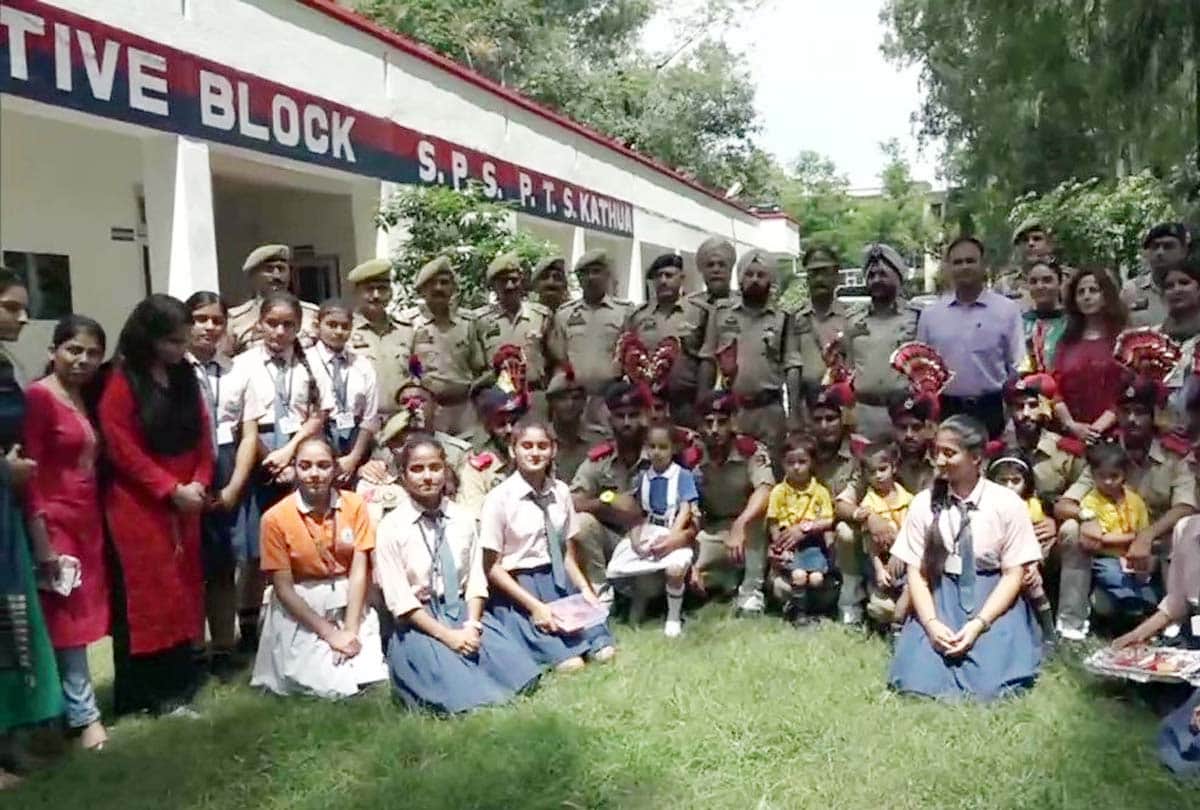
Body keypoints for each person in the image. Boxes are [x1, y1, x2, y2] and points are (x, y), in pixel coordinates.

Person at [100, 294, 214, 716]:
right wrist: (169, 489)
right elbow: (121, 448)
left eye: (184, 340)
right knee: (151, 596)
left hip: (187, 502)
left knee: (184, 590)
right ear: (148, 338)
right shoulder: (121, 380)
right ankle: (149, 692)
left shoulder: (184, 375)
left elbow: (203, 432)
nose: (181, 349)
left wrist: (199, 482)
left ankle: (182, 681)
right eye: (173, 341)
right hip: (141, 506)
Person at [373, 433, 540, 712]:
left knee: (521, 676)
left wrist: (472, 625)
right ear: (403, 476)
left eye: (434, 468)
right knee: (465, 694)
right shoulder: (391, 527)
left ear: (445, 470)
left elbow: (475, 580)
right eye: (417, 469)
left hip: (462, 611)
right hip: (420, 621)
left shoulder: (462, 518)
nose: (427, 477)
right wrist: (447, 636)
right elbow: (400, 600)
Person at [887, 415, 1043, 700]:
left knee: (990, 688)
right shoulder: (924, 503)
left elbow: (1013, 574)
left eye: (949, 453)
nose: (940, 461)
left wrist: (979, 624)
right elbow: (916, 573)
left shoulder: (1007, 503)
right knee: (916, 682)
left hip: (991, 596)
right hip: (941, 595)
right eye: (937, 452)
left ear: (976, 457)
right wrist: (931, 624)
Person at [24, 316, 109, 749]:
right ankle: (84, 717)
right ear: (53, 350)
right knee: (67, 620)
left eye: (93, 353)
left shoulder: (82, 395)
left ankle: (58, 712)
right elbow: (29, 476)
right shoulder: (39, 398)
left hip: (85, 520)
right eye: (74, 349)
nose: (83, 360)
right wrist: (43, 543)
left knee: (77, 619)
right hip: (53, 523)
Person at [1055, 380, 1197, 640]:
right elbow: (1065, 504)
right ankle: (1072, 622)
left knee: (1183, 528)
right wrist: (1086, 516)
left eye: (1140, 412)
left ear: (1154, 415)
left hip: (1159, 550)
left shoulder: (1173, 455)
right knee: (1071, 529)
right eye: (1125, 411)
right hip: (1111, 549)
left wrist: (1147, 535)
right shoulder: (1105, 455)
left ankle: (1173, 617)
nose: (1131, 419)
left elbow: (1185, 506)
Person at [230, 291, 330, 653]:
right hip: (256, 448)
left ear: (299, 327)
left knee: (300, 539)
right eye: (272, 323)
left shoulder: (309, 363)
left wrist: (291, 454)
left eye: (288, 324)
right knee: (256, 547)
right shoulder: (243, 364)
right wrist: (269, 457)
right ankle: (249, 627)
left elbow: (319, 413)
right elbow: (240, 421)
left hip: (298, 447)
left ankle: (300, 618)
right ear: (260, 323)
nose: (279, 331)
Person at [251, 437, 387, 698]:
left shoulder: (354, 505)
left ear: (335, 468)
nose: (314, 474)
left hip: (350, 597)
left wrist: (349, 631)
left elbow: (359, 570)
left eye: (323, 465)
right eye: (305, 466)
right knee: (323, 684)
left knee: (367, 674)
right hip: (303, 601)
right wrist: (330, 635)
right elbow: (283, 588)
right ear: (294, 468)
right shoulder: (274, 518)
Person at [480, 418, 616, 670]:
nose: (535, 453)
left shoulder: (561, 492)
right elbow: (492, 568)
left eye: (542, 446)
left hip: (558, 580)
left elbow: (567, 553)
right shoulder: (499, 499)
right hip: (520, 588)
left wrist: (585, 590)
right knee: (571, 664)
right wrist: (535, 607)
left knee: (604, 651)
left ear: (553, 450)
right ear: (513, 450)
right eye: (527, 446)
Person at [0, 268, 61, 787]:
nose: (23, 317)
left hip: (7, 514)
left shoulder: (6, 363)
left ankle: (10, 736)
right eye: (10, 307)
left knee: (10, 623)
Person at [185, 292, 261, 677]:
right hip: (186, 470)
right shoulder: (175, 369)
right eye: (201, 318)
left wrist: (233, 487)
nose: (209, 327)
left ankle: (224, 648)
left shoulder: (237, 371)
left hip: (228, 466)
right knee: (190, 567)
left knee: (225, 564)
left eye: (217, 320)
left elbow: (249, 434)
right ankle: (193, 648)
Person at [917, 237, 1024, 438]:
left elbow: (1017, 365)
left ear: (983, 265)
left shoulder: (1007, 311)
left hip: (991, 409)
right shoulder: (931, 315)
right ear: (949, 268)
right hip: (945, 410)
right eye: (958, 262)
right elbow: (922, 370)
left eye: (970, 261)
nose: (964, 267)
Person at [699, 249, 805, 448]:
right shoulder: (721, 313)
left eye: (761, 275)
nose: (754, 280)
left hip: (769, 411)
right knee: (732, 462)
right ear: (740, 278)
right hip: (729, 412)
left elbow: (792, 365)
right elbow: (708, 359)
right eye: (749, 274)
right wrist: (702, 405)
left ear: (770, 279)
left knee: (771, 463)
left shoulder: (783, 317)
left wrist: (794, 413)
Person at [604, 423, 699, 637]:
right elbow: (637, 513)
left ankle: (673, 615)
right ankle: (634, 607)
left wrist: (672, 537)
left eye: (663, 447)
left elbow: (686, 509)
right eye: (652, 447)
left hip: (673, 532)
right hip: (648, 530)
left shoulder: (682, 475)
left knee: (674, 569)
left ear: (673, 449)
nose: (657, 452)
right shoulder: (642, 477)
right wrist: (636, 539)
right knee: (628, 565)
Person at [569, 381, 651, 608]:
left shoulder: (659, 452)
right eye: (620, 416)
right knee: (582, 523)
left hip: (653, 538)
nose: (627, 423)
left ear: (645, 416)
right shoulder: (599, 460)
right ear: (610, 418)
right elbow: (571, 501)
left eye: (633, 415)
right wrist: (606, 501)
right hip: (614, 540)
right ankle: (601, 591)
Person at [691, 392, 775, 615]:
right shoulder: (693, 458)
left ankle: (751, 592)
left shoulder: (750, 451)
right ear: (699, 425)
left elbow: (765, 490)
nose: (714, 429)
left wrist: (740, 523)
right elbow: (688, 505)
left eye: (721, 422)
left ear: (733, 423)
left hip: (748, 529)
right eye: (708, 422)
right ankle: (726, 579)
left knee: (757, 518)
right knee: (690, 567)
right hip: (714, 530)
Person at [551, 250, 633, 444]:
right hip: (574, 401)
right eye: (585, 273)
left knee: (610, 446)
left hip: (609, 399)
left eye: (596, 271)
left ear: (607, 274)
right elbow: (560, 358)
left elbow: (631, 356)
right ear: (579, 279)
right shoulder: (565, 314)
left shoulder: (625, 312)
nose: (591, 278)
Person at [401, 256, 487, 442]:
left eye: (444, 282)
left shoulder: (468, 322)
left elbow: (479, 367)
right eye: (432, 283)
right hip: (426, 411)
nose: (438, 288)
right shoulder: (408, 323)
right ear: (422, 289)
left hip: (463, 410)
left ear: (453, 288)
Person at [843, 244, 920, 440]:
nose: (877, 280)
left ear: (898, 277)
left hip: (905, 415)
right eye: (871, 275)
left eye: (883, 274)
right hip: (863, 415)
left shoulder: (916, 318)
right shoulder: (853, 320)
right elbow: (847, 369)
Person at [1074, 441, 1158, 622]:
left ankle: (1145, 603)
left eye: (1114, 476)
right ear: (1093, 475)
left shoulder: (1134, 500)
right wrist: (1131, 537)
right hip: (1107, 556)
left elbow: (1144, 530)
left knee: (1148, 571)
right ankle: (1131, 605)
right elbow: (1101, 538)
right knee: (1110, 573)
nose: (1108, 482)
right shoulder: (1091, 502)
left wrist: (1139, 545)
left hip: (1132, 555)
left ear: (1124, 474)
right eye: (1101, 476)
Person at [624, 253, 710, 428]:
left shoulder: (699, 313)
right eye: (658, 276)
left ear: (682, 278)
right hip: (648, 404)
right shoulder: (638, 316)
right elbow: (627, 355)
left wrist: (703, 400)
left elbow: (707, 359)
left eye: (669, 275)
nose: (663, 281)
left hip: (686, 403)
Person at [473, 252, 560, 417]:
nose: (510, 286)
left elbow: (554, 360)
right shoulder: (480, 320)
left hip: (535, 398)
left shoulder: (541, 316)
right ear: (493, 286)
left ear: (522, 281)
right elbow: (477, 367)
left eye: (514, 280)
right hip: (497, 398)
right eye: (503, 281)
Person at [1051, 267, 1128, 444]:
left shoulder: (1122, 339)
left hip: (1113, 437)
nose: (1086, 296)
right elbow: (1054, 388)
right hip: (1070, 435)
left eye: (1093, 290)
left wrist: (1097, 428)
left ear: (1106, 295)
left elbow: (1126, 391)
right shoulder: (1066, 341)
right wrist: (1071, 424)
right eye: (1081, 292)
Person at [767, 433, 836, 625]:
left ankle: (815, 610)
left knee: (816, 579)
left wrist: (808, 528)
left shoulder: (820, 491)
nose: (796, 467)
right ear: (783, 464)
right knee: (798, 576)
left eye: (802, 462)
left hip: (813, 543)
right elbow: (773, 521)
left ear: (812, 463)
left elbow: (828, 520)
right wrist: (779, 547)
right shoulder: (779, 492)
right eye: (790, 462)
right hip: (789, 544)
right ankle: (799, 614)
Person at [986, 453, 1057, 640]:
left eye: (1015, 481)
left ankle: (1048, 629)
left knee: (1033, 583)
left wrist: (1033, 564)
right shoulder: (987, 505)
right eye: (1003, 481)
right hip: (995, 558)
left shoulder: (1031, 506)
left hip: (1025, 558)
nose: (1009, 486)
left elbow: (1035, 540)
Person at [307, 299, 380, 479]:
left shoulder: (362, 365)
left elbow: (370, 416)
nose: (339, 331)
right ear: (318, 325)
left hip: (355, 441)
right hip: (317, 437)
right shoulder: (305, 362)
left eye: (345, 326)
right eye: (332, 325)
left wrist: (353, 458)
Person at [851, 442, 913, 628]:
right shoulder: (868, 503)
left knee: (912, 585)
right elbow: (869, 544)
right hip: (881, 560)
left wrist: (901, 554)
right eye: (872, 472)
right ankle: (892, 622)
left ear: (894, 468)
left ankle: (901, 621)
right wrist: (879, 569)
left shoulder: (909, 499)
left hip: (906, 557)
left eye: (882, 469)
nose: (878, 476)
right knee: (884, 598)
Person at [346, 257, 413, 422]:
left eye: (382, 289)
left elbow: (417, 373)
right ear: (356, 292)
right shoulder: (345, 331)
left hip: (402, 420)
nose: (376, 296)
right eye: (369, 289)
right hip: (361, 422)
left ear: (391, 292)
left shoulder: (406, 331)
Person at [227, 245, 318, 354]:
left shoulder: (312, 313)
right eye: (269, 269)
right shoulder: (235, 318)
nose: (276, 276)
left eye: (282, 269)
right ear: (253, 276)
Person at [456, 387, 528, 517]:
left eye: (514, 422)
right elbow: (473, 514)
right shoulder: (478, 467)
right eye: (501, 424)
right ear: (488, 427)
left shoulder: (537, 458)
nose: (509, 430)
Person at [796, 246, 853, 397]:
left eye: (825, 272)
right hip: (807, 402)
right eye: (814, 273)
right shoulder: (796, 319)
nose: (819, 279)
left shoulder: (851, 318)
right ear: (807, 279)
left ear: (836, 277)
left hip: (843, 402)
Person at [1123, 222, 1190, 329]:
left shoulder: (1195, 289)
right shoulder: (1131, 291)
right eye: (1155, 246)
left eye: (1168, 246)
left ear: (1184, 251)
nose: (1160, 252)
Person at [1021, 259, 1068, 372]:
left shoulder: (1073, 322)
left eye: (1047, 280)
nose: (1040, 286)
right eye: (1033, 282)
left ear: (1060, 283)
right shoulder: (1020, 325)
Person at [886, 392, 937, 494]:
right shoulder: (883, 458)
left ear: (928, 428)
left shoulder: (940, 459)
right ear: (893, 428)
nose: (909, 435)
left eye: (916, 427)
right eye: (902, 427)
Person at [544, 364, 589, 483]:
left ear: (584, 401)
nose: (570, 404)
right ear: (551, 402)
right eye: (562, 399)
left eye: (576, 398)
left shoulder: (597, 440)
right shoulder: (540, 441)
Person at [693, 236, 736, 305]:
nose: (716, 270)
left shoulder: (746, 305)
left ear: (730, 269)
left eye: (721, 265)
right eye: (710, 265)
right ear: (702, 270)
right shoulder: (688, 306)